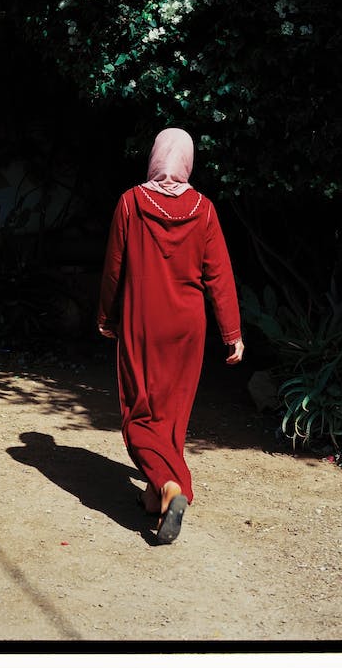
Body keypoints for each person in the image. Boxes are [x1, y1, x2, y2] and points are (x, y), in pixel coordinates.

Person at [97, 127, 244, 544]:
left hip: (142, 322)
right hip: (188, 327)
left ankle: (172, 487)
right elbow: (219, 275)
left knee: (139, 414)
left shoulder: (129, 203)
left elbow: (114, 268)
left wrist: (107, 316)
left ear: (155, 157)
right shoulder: (206, 209)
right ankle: (154, 496)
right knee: (172, 413)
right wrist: (231, 332)